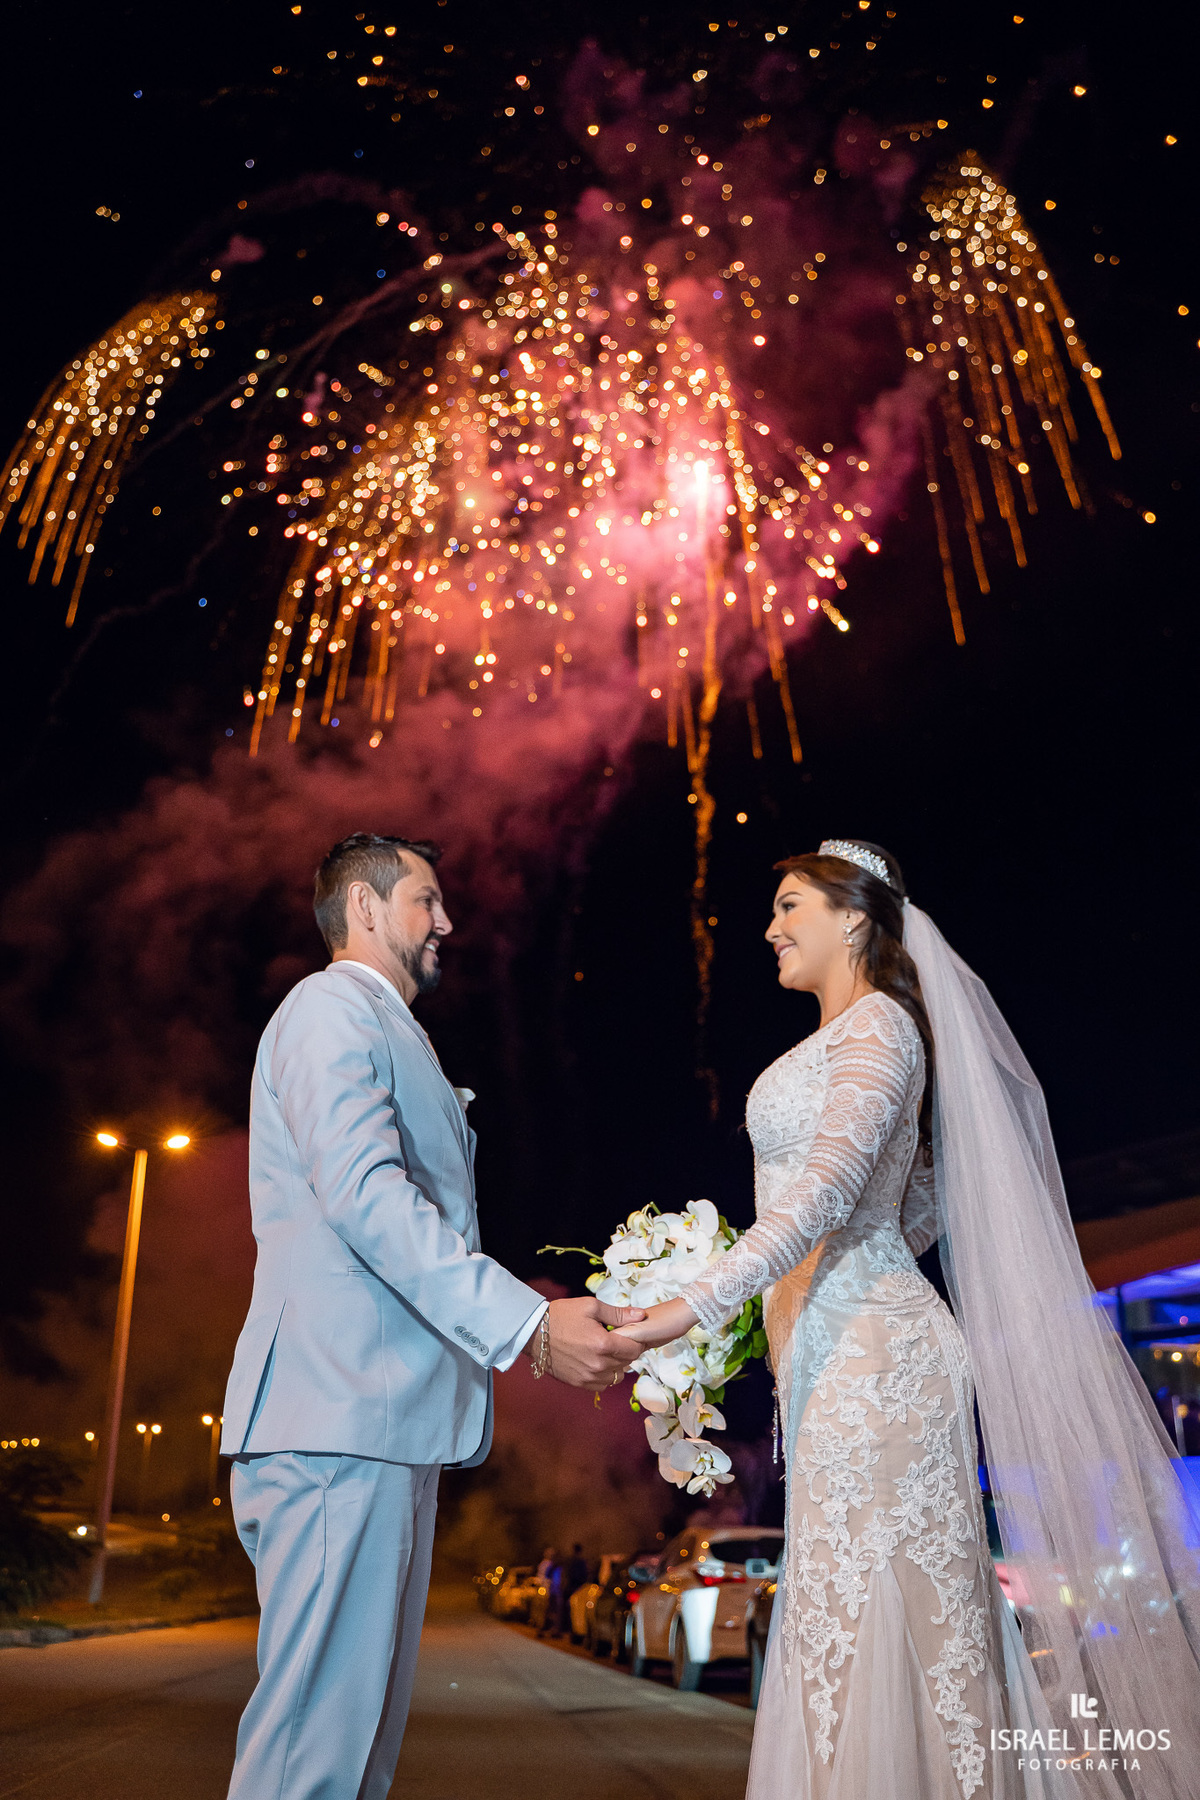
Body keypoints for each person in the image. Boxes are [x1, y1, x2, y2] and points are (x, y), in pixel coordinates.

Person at [621, 840, 1200, 1798]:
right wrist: (753, 1306)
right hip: (828, 1358)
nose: (769, 927)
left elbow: (825, 1195)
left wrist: (691, 1304)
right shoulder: (842, 1041)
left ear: (854, 917)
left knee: (907, 1621)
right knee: (842, 1616)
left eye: (790, 904)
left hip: (877, 1361)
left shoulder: (883, 1030)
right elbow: (914, 1208)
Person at [220, 833, 645, 1800]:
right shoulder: (330, 1008)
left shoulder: (381, 1022)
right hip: (339, 1418)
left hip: (379, 1426)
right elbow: (366, 1196)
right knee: (312, 1756)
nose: (447, 921)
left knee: (355, 1752)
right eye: (426, 899)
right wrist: (531, 1327)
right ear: (364, 910)